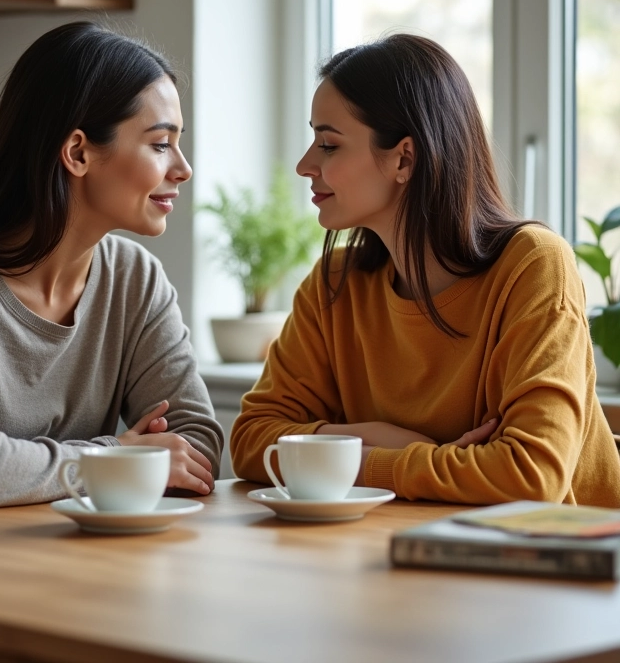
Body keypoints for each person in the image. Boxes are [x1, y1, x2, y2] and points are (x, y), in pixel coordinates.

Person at [231, 33, 620, 507]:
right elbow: (252, 441)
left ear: (404, 158)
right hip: (405, 552)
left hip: (558, 568)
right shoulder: (335, 283)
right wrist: (379, 438)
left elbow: (531, 477)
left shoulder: (534, 266)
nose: (304, 164)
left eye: (328, 145)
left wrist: (363, 457)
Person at [0, 21, 223, 512]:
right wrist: (117, 455)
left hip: (46, 552)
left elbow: (195, 449)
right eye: (160, 143)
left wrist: (103, 462)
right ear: (77, 152)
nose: (183, 167)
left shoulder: (136, 278)